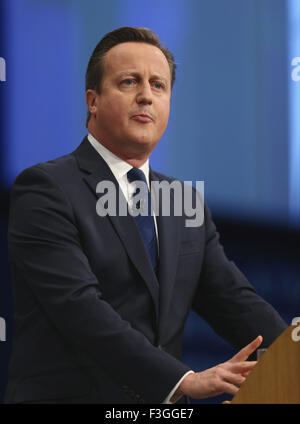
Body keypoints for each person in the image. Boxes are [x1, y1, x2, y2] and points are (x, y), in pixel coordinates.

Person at [4, 27, 287, 404]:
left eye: (158, 85)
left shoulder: (184, 202)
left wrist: (291, 358)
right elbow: (80, 309)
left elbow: (233, 300)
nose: (146, 96)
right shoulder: (45, 189)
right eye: (129, 82)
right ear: (93, 100)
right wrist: (181, 380)